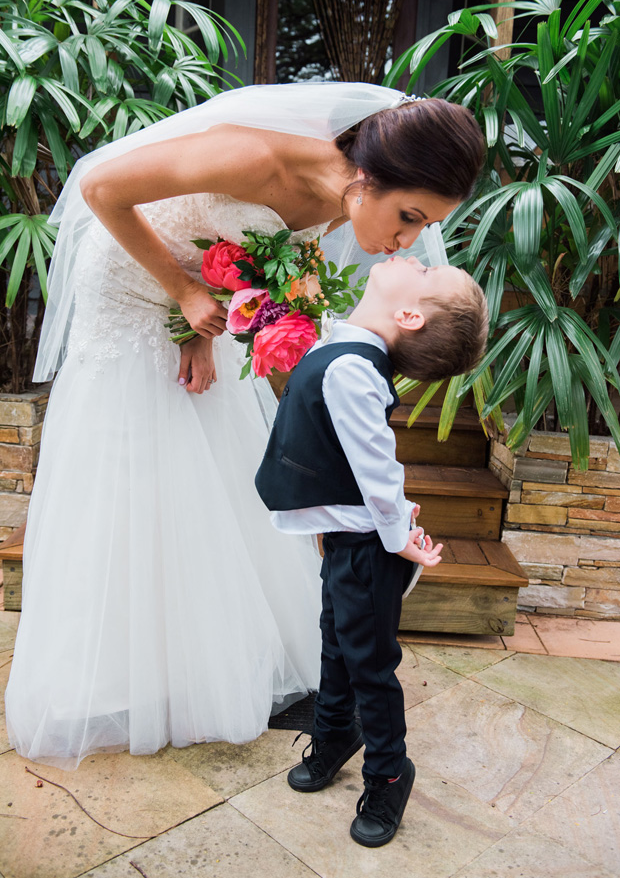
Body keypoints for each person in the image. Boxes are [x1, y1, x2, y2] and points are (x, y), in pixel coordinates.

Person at [5, 82, 485, 770]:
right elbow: (103, 188)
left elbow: (248, 263)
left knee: (206, 466)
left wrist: (201, 328)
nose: (404, 241)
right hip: (129, 277)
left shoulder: (339, 205)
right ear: (368, 177)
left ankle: (198, 665)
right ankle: (117, 678)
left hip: (195, 302)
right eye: (408, 215)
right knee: (134, 460)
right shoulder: (254, 154)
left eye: (421, 227)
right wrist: (183, 294)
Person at [255, 254, 489, 847]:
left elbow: (379, 471)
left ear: (409, 313)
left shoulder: (353, 371)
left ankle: (389, 771)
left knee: (371, 666)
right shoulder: (345, 345)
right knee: (335, 641)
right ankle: (335, 733)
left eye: (431, 273)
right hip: (346, 538)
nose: (420, 256)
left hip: (369, 548)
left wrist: (397, 540)